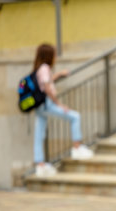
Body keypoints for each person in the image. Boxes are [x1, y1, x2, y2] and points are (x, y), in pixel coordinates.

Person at [32, 44, 93, 176]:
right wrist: (59, 104)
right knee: (74, 116)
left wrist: (59, 74)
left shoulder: (39, 69)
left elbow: (46, 82)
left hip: (40, 105)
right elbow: (47, 88)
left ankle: (40, 165)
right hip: (46, 103)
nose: (55, 57)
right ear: (49, 56)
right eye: (54, 54)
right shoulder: (45, 68)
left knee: (39, 134)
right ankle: (77, 148)